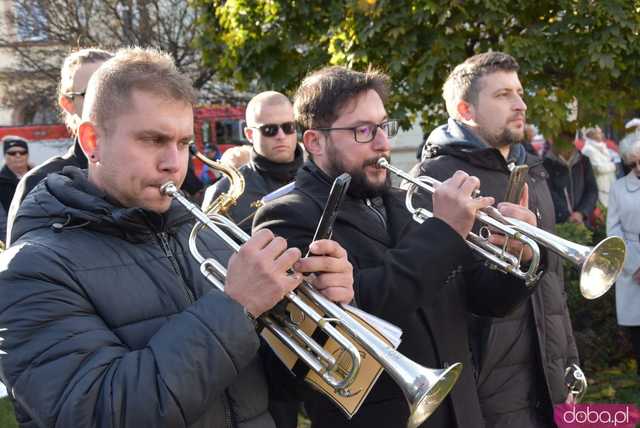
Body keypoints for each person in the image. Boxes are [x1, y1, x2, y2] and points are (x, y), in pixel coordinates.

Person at [0, 47, 353, 427]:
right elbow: (99, 412)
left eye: (184, 143)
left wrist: (314, 318)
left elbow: (273, 390)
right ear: (91, 141)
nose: (174, 163)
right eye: (153, 140)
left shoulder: (210, 236)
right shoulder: (30, 270)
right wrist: (235, 307)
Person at [253, 65, 542, 428]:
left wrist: (519, 258)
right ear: (314, 142)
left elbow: (484, 301)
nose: (382, 143)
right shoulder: (286, 218)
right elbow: (351, 324)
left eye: (383, 126)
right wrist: (444, 232)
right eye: (363, 131)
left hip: (460, 411)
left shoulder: (407, 202)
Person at [413, 52, 579, 428]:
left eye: (519, 92)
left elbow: (552, 284)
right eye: (503, 95)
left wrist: (567, 363)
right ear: (465, 109)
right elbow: (445, 295)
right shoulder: (435, 179)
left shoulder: (533, 170)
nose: (520, 104)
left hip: (551, 381)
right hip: (487, 392)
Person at [6, 48, 113, 244]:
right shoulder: (41, 182)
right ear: (68, 104)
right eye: (94, 93)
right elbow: (21, 267)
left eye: (117, 91)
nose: (110, 103)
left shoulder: (154, 170)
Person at [203, 91, 303, 233]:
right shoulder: (224, 192)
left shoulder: (322, 177)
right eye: (269, 130)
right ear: (249, 134)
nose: (281, 136)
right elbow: (207, 250)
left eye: (288, 127)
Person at [607, 130, 640, 376]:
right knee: (637, 328)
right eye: (634, 162)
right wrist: (633, 265)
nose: (638, 166)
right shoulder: (619, 189)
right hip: (632, 262)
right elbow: (613, 231)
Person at [544, 128, 598, 225]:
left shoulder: (583, 161)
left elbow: (592, 190)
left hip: (583, 222)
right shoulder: (546, 164)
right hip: (559, 224)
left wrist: (581, 213)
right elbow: (548, 194)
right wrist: (567, 216)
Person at [0, 135, 31, 238]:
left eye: (22, 152)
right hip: (13, 237)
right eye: (12, 153)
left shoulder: (40, 177)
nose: (18, 155)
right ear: (5, 156)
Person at [581, 126, 618, 206]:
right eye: (599, 133)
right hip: (600, 186)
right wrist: (613, 166)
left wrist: (610, 165)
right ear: (591, 135)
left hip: (610, 184)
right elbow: (599, 168)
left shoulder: (601, 146)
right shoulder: (588, 149)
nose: (602, 134)